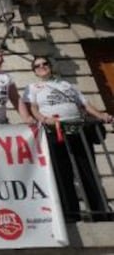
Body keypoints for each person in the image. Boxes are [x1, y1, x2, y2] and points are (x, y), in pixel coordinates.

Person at [23, 56, 113, 221]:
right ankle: (71, 213)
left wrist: (100, 115)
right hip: (54, 131)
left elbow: (84, 104)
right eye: (37, 66)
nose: (42, 67)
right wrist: (44, 119)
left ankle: (100, 211)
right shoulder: (33, 87)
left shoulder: (67, 85)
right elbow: (33, 109)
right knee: (62, 172)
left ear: (50, 66)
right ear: (34, 71)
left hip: (78, 130)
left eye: (45, 64)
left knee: (87, 170)